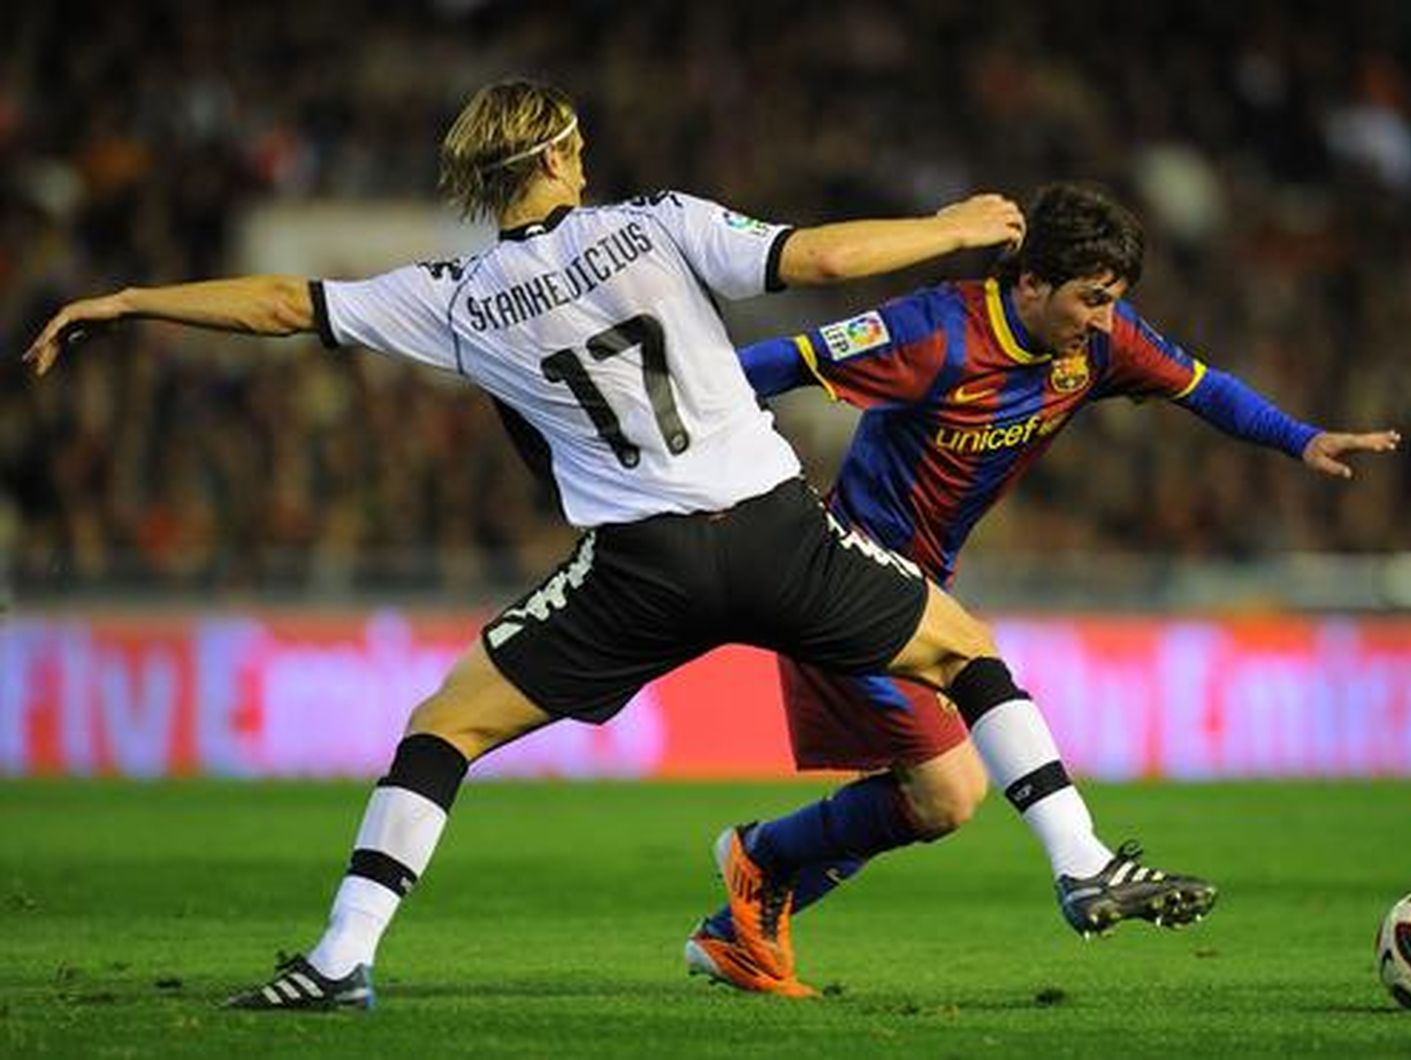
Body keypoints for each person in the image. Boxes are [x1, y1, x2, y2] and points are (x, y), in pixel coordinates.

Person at [21, 79, 1157, 1008]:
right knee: (964, 654)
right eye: (575, 143)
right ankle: (1079, 861)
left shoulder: (457, 297)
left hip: (639, 569)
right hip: (771, 531)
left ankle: (338, 957)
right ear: (559, 156)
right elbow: (815, 261)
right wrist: (953, 231)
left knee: (443, 728)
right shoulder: (654, 223)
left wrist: (129, 300)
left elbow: (282, 305)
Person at [683, 181, 1401, 995]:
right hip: (842, 569)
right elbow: (766, 366)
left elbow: (1204, 389)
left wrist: (1300, 440)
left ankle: (755, 882)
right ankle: (1074, 862)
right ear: (1029, 283)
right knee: (961, 734)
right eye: (1090, 300)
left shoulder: (1096, 344)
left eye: (1114, 301)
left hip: (916, 578)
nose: (1103, 320)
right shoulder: (934, 331)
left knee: (939, 797)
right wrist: (706, 470)